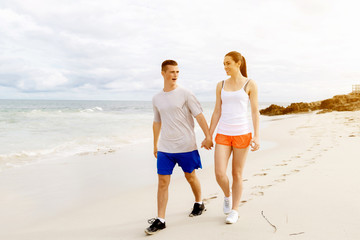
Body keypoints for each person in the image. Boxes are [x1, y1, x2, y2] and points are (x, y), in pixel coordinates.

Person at [145, 60, 213, 235]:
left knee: (190, 176)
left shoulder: (185, 94)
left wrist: (208, 136)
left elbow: (199, 116)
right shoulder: (156, 98)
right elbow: (157, 122)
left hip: (186, 145)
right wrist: (155, 144)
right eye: (171, 72)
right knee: (162, 182)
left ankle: (199, 202)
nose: (175, 75)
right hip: (165, 148)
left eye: (177, 72)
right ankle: (161, 219)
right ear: (163, 73)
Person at [209, 51, 260, 224]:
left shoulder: (250, 83)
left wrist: (257, 135)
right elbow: (217, 111)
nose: (225, 67)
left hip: (242, 133)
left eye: (228, 63)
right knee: (219, 173)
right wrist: (209, 134)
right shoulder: (220, 85)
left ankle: (235, 210)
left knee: (236, 173)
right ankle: (227, 195)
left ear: (238, 63)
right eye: (223, 64)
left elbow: (254, 111)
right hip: (223, 133)